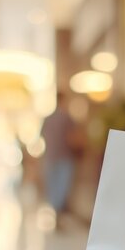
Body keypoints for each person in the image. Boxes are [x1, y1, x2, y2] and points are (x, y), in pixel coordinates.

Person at [41, 93, 82, 223]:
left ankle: (57, 212)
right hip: (65, 157)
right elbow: (73, 138)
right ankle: (58, 212)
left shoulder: (47, 119)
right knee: (62, 186)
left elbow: (43, 137)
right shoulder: (67, 118)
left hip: (51, 156)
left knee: (53, 187)